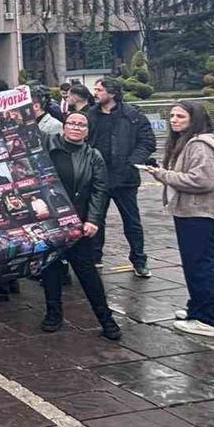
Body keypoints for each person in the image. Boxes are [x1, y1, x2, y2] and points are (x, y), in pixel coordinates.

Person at [143, 101, 214, 338]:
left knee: (200, 265)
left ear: (195, 119)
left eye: (180, 116)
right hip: (189, 211)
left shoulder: (201, 144)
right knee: (194, 264)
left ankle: (207, 319)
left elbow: (203, 180)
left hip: (199, 212)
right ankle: (197, 309)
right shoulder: (188, 142)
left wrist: (164, 175)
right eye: (172, 115)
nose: (174, 120)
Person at [40, 113, 121, 340]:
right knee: (51, 268)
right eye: (72, 123)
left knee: (87, 271)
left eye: (81, 124)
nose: (76, 127)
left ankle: (106, 319)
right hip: (50, 220)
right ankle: (53, 314)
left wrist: (93, 220)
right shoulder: (48, 145)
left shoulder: (93, 156)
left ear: (88, 130)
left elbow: (99, 190)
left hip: (78, 221)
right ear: (64, 126)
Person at [87, 77, 156, 277]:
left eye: (99, 90)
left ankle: (139, 259)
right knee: (95, 219)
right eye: (95, 89)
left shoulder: (132, 115)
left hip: (125, 178)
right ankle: (95, 257)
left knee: (132, 221)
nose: (95, 93)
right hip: (98, 177)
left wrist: (131, 162)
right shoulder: (91, 114)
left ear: (112, 93)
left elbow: (147, 142)